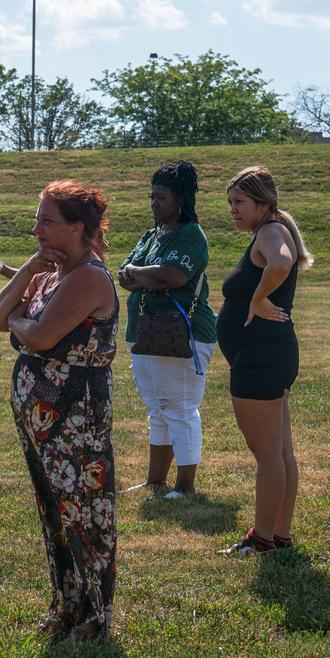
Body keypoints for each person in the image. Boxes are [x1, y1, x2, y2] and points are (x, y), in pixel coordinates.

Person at [0, 180, 118, 642]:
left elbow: (39, 336)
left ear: (77, 227)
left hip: (74, 416)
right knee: (55, 511)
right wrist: (27, 269)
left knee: (82, 511)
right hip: (43, 417)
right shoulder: (50, 272)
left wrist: (25, 326)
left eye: (46, 221)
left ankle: (93, 615)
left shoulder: (88, 276)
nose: (36, 229)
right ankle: (66, 604)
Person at [215, 166, 313, 556]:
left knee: (269, 455)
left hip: (261, 356)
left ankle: (262, 540)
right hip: (268, 354)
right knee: (280, 453)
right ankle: (280, 535)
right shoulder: (269, 230)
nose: (233, 210)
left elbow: (282, 263)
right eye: (230, 203)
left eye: (239, 202)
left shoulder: (272, 232)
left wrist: (256, 299)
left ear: (263, 203)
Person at [118, 161, 218, 499]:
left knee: (180, 408)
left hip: (182, 335)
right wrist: (142, 272)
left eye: (161, 197)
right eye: (152, 196)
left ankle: (185, 486)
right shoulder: (152, 235)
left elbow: (172, 276)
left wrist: (139, 272)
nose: (154, 203)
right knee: (157, 409)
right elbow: (125, 276)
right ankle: (155, 481)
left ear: (181, 200)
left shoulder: (191, 235)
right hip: (145, 332)